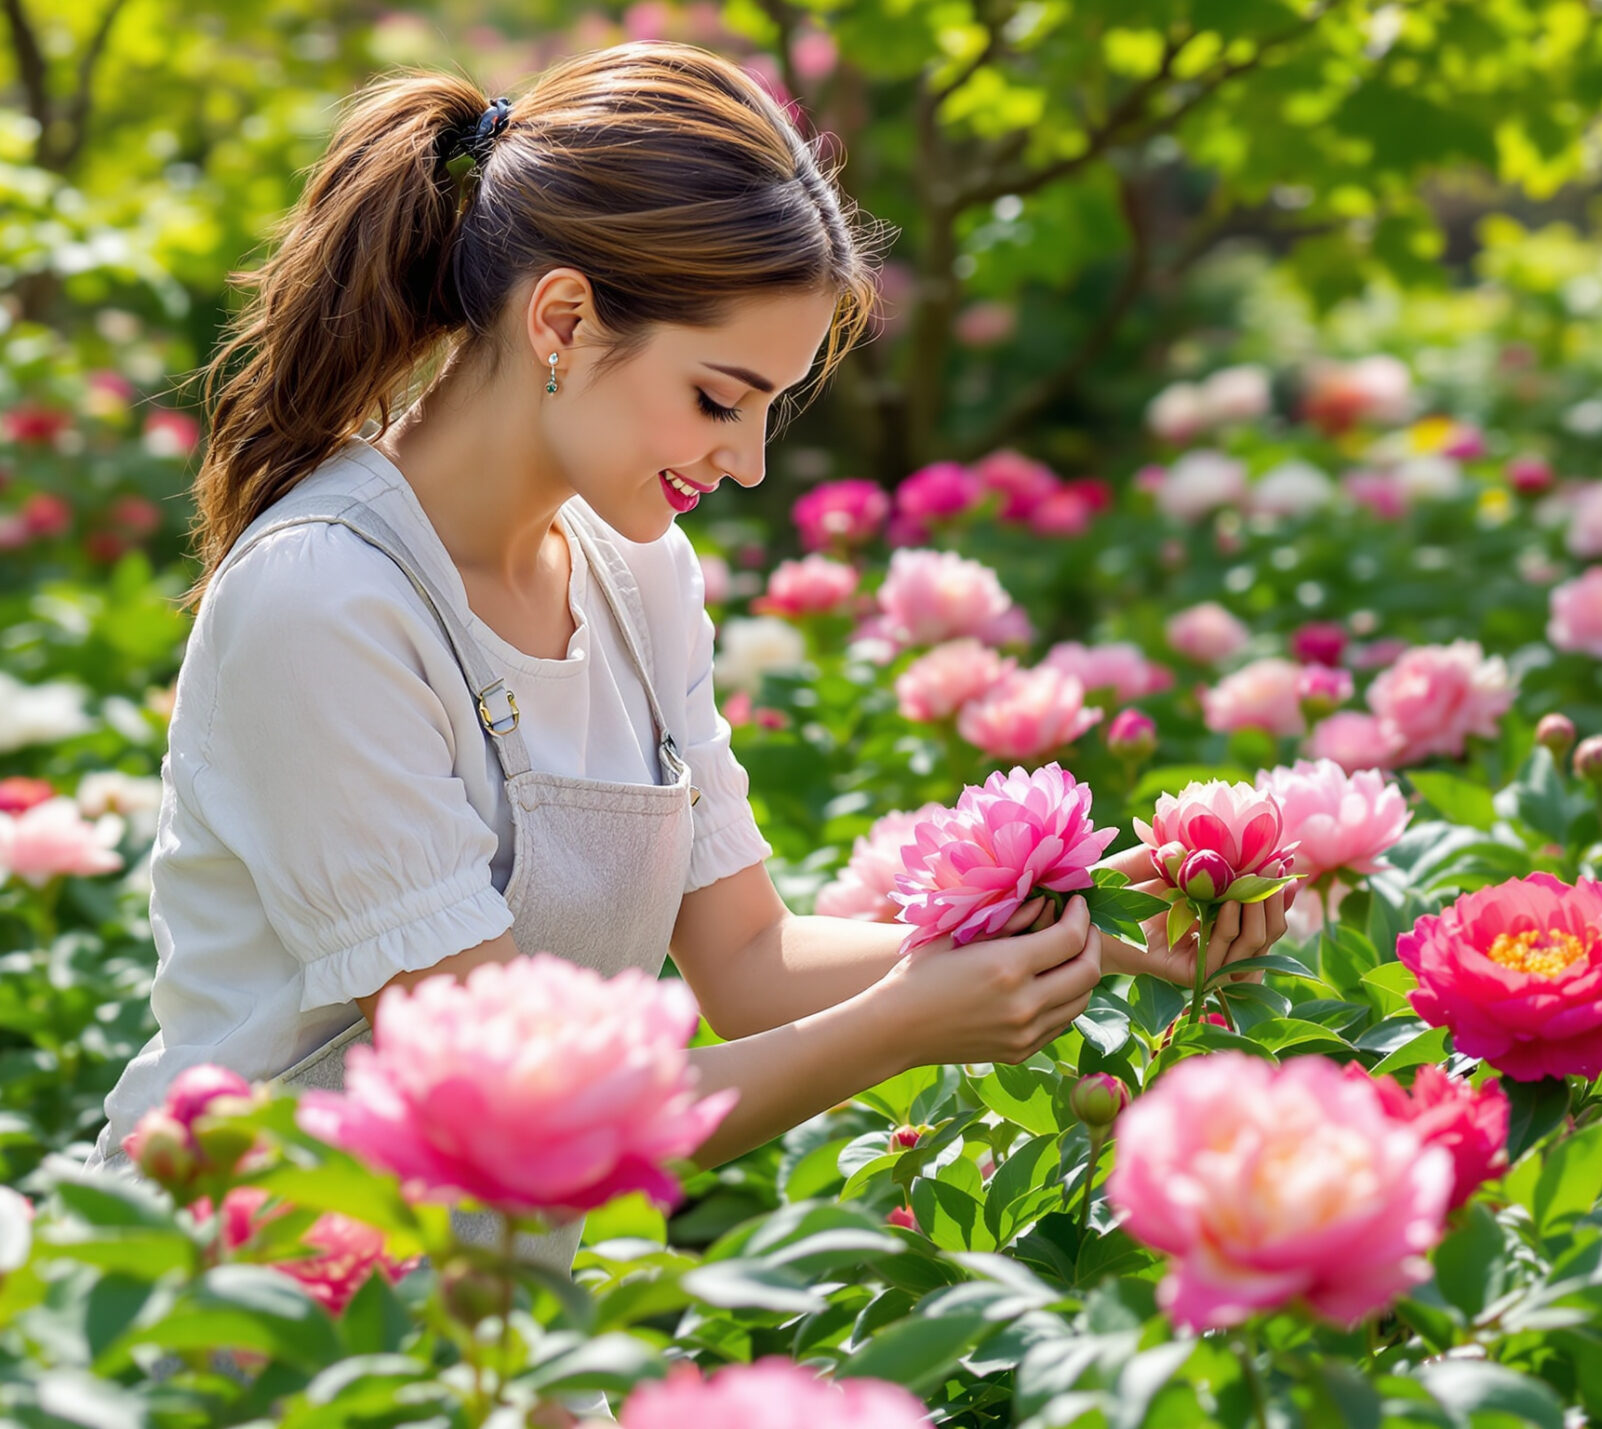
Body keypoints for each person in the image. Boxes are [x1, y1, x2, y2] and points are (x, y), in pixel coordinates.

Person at [89, 43, 1288, 1249]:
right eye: (721, 398)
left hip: (484, 1306)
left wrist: (1090, 932)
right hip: (240, 1300)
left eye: (773, 405)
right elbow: (523, 1118)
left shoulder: (634, 569)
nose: (749, 460)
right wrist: (909, 1023)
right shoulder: (326, 602)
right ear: (562, 317)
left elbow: (752, 964)